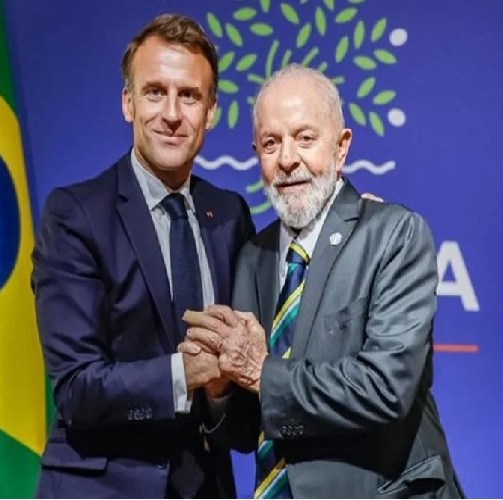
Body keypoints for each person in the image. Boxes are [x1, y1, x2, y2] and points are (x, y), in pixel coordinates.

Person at [182, 64, 464, 498]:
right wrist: (220, 389)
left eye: (305, 138)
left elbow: (386, 388)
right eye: (271, 143)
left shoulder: (393, 234)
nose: (287, 159)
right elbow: (248, 428)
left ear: (341, 147)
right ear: (256, 154)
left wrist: (261, 372)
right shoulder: (254, 257)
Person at [30, 13, 253, 499]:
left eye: (189, 96)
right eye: (155, 92)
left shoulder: (230, 215)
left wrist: (219, 393)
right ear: (128, 103)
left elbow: (244, 396)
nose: (172, 113)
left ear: (211, 111)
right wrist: (185, 373)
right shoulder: (75, 215)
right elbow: (76, 389)